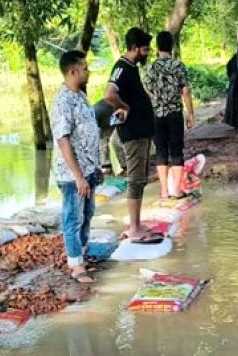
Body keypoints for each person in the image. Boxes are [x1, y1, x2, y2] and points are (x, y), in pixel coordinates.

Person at [104, 27, 162, 244]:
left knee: (140, 180)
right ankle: (134, 228)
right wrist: (124, 106)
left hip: (142, 132)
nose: (147, 53)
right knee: (135, 179)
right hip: (133, 133)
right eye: (145, 49)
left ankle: (136, 224)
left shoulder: (132, 68)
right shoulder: (121, 67)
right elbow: (109, 94)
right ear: (135, 48)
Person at [51, 50, 102, 283]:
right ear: (73, 71)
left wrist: (96, 166)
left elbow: (88, 132)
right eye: (84, 68)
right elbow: (63, 140)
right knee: (73, 217)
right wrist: (78, 176)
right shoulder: (62, 102)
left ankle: (81, 253)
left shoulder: (80, 96)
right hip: (73, 174)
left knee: (88, 213)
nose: (88, 71)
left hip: (88, 169)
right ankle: (75, 265)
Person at [145, 31, 194, 200]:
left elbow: (147, 88)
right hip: (174, 114)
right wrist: (190, 113)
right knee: (176, 150)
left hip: (157, 115)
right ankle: (177, 190)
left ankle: (164, 191)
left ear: (157, 47)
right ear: (171, 46)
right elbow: (186, 91)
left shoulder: (150, 67)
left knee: (160, 151)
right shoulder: (178, 66)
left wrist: (156, 99)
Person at [93, 99, 125, 175]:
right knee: (102, 140)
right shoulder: (91, 116)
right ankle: (106, 166)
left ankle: (125, 166)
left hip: (118, 116)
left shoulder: (92, 116)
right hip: (105, 121)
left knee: (116, 141)